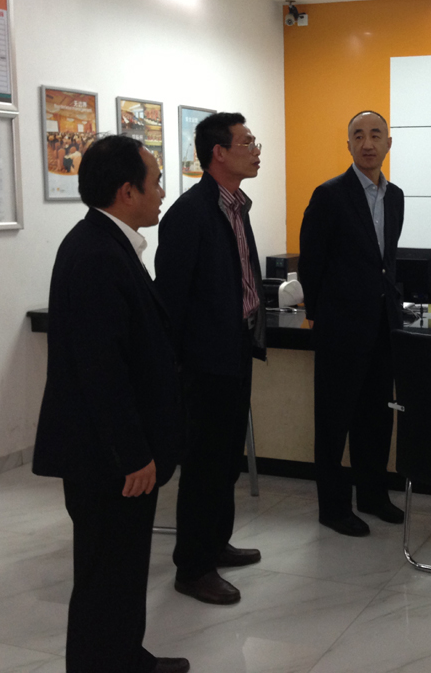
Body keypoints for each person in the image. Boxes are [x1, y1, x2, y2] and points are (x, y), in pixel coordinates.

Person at [32, 135, 188, 673]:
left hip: (115, 451)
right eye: (156, 181)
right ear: (127, 191)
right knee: (105, 573)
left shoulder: (110, 243)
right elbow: (101, 371)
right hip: (108, 458)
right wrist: (132, 454)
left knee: (123, 568)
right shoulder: (97, 254)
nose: (162, 192)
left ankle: (125, 656)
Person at [155, 112, 266, 605]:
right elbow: (172, 298)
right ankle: (192, 567)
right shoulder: (189, 214)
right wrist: (180, 370)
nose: (256, 150)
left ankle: (216, 543)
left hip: (234, 348)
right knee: (203, 464)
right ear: (218, 152)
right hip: (203, 361)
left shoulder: (236, 206)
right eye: (247, 142)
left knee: (225, 461)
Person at [299, 110, 405, 537]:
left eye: (375, 135)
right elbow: (311, 264)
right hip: (340, 329)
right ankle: (333, 507)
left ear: (388, 144)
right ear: (348, 146)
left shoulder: (395, 196)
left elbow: (386, 262)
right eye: (358, 136)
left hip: (382, 326)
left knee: (376, 418)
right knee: (334, 421)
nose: (367, 143)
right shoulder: (330, 195)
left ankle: (373, 495)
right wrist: (319, 317)